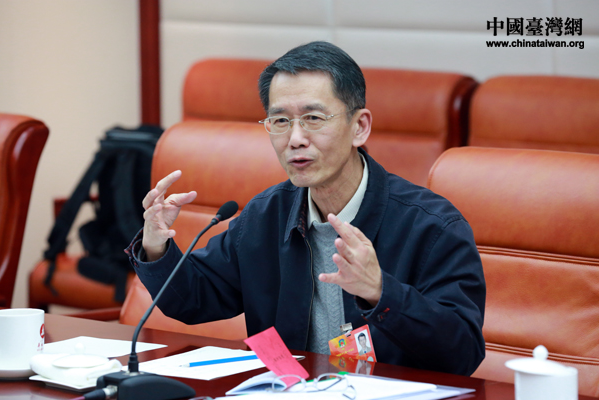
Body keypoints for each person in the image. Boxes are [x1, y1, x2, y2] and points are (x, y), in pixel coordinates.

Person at [126, 41, 486, 376]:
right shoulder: (265, 216)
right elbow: (194, 299)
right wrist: (156, 245)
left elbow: (462, 354)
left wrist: (380, 291)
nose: (295, 139)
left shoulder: (431, 226)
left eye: (313, 118)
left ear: (359, 127)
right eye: (281, 121)